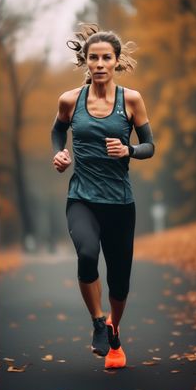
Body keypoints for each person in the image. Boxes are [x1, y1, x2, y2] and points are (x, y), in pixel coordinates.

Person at [51, 23, 155, 369]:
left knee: (120, 280)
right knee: (86, 253)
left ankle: (113, 330)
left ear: (116, 61)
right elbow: (58, 130)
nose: (99, 63)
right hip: (82, 197)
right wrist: (61, 153)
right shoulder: (70, 99)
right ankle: (98, 322)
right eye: (93, 57)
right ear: (85, 61)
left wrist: (128, 151)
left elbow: (149, 146)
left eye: (105, 58)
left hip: (120, 203)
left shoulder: (132, 99)